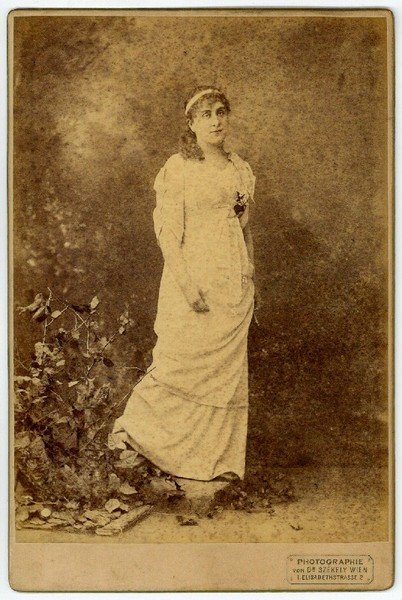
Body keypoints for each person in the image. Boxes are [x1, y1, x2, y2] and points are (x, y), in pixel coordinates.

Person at [109, 86, 257, 481]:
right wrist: (188, 287)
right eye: (206, 114)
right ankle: (138, 438)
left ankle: (215, 462)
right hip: (194, 278)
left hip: (233, 285)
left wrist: (250, 275)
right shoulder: (179, 169)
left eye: (221, 112)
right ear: (191, 124)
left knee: (224, 377)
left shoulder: (240, 169)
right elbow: (168, 235)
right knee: (182, 366)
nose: (216, 121)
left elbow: (243, 229)